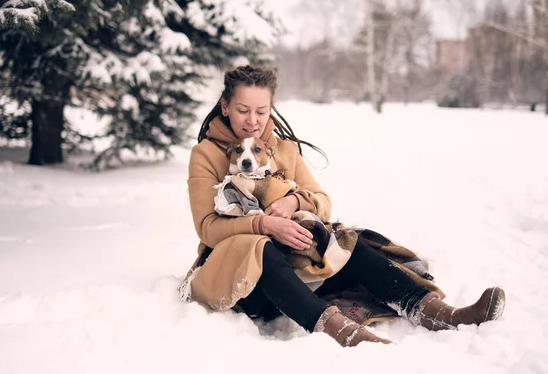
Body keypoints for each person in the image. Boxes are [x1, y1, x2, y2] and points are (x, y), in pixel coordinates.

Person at [182, 65, 506, 347]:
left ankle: (434, 312)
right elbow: (208, 229)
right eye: (242, 110)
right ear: (225, 106)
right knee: (261, 247)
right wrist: (262, 224)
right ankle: (342, 334)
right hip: (241, 281)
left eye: (261, 111)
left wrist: (293, 199)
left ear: (271, 109)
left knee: (346, 240)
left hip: (291, 272)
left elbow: (321, 200)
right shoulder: (207, 154)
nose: (252, 120)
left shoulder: (284, 149)